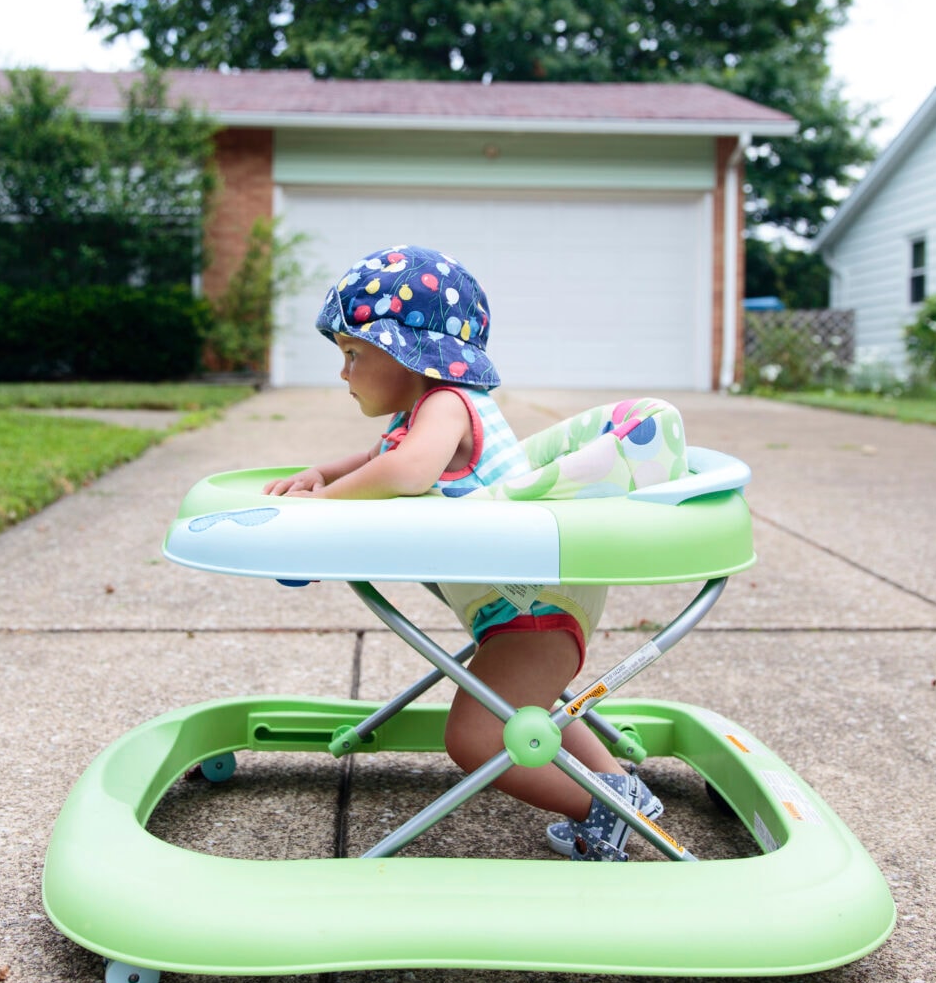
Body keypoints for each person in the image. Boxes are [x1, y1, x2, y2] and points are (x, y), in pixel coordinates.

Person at [263, 245, 664, 862]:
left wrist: (323, 510)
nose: (343, 373)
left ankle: (607, 809)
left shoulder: (448, 404)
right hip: (523, 604)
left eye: (352, 354)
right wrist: (318, 475)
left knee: (475, 737)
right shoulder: (421, 412)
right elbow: (378, 461)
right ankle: (619, 786)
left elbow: (407, 470)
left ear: (406, 351)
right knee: (524, 707)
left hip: (534, 603)